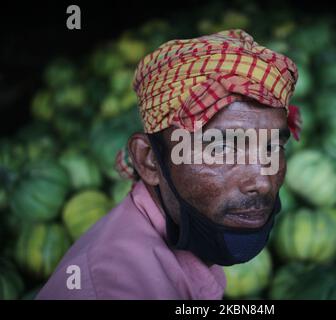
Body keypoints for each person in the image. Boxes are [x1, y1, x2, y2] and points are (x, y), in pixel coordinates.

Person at [37, 29, 300, 299]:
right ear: (149, 160)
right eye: (221, 148)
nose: (263, 181)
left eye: (272, 146)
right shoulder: (115, 289)